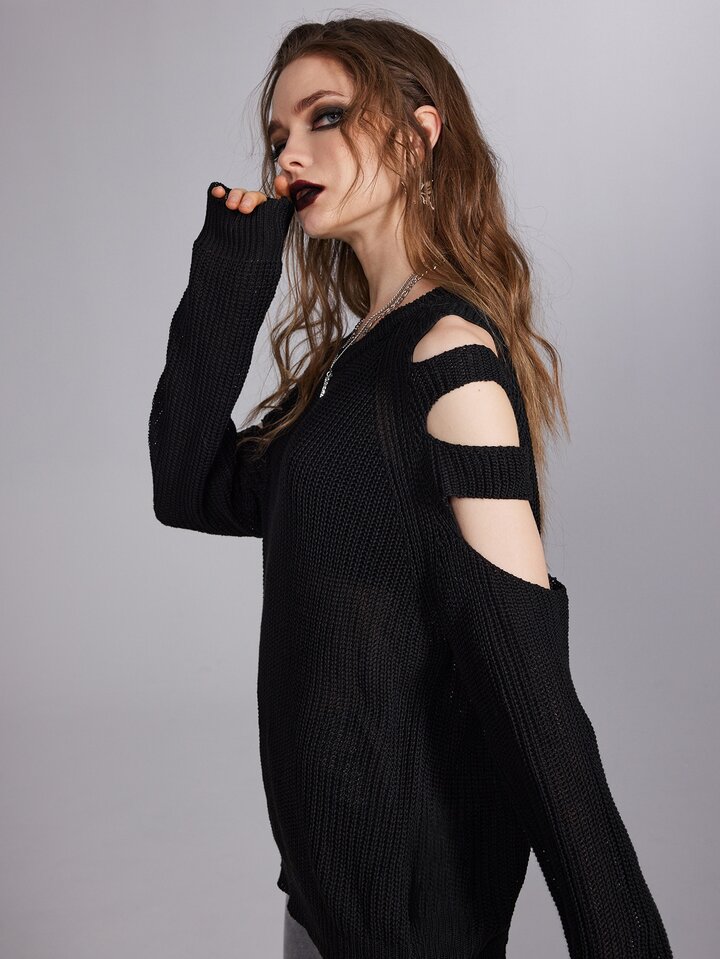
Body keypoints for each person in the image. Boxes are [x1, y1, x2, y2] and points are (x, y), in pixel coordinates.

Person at [148, 14, 674, 959]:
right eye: (278, 134)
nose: (289, 154)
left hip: (406, 912)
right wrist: (235, 266)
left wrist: (623, 940)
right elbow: (188, 485)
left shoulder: (450, 361)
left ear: (418, 133)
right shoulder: (361, 365)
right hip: (325, 886)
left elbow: (532, 689)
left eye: (326, 117)